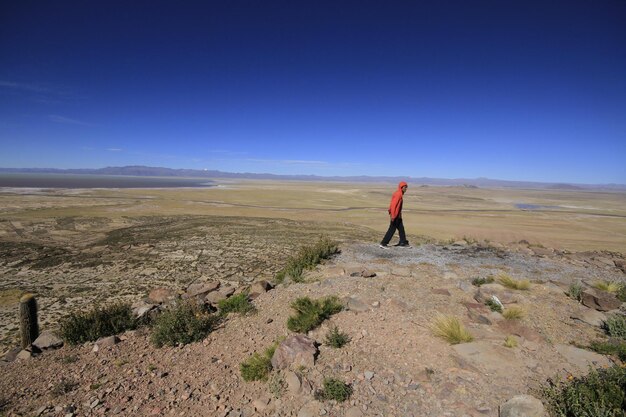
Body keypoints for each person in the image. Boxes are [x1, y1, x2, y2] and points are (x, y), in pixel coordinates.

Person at [379, 181, 410, 248]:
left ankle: (403, 242)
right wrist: (393, 215)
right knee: (392, 229)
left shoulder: (399, 194)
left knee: (401, 229)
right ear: (401, 187)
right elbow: (393, 205)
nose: (406, 189)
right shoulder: (398, 194)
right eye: (405, 187)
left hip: (398, 216)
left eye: (406, 187)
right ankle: (383, 243)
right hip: (395, 216)